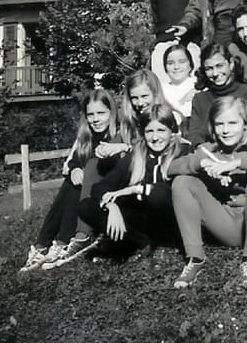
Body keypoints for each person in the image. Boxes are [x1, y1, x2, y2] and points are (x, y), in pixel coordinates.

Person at [168, 97, 247, 289]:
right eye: (220, 124)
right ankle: (195, 258)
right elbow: (171, 168)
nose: (226, 130)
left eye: (232, 123)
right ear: (212, 127)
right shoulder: (209, 150)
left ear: (245, 125)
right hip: (230, 224)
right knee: (182, 182)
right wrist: (201, 163)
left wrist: (239, 164)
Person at [19, 89, 121, 272]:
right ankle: (42, 246)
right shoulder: (87, 136)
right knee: (72, 181)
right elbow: (74, 160)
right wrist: (75, 169)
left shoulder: (118, 134)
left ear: (111, 113)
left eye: (101, 113)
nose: (95, 119)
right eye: (91, 115)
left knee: (78, 183)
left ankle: (62, 242)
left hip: (109, 192)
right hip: (87, 190)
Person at [77, 103, 185, 259]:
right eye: (149, 131)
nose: (155, 137)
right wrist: (111, 206)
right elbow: (101, 186)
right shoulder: (136, 156)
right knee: (86, 206)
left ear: (172, 131)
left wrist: (131, 190)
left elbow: (165, 193)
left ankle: (164, 244)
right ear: (143, 133)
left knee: (158, 194)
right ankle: (139, 243)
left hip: (171, 219)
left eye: (161, 130)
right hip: (142, 221)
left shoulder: (182, 153)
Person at [186, 41, 247, 148]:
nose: (215, 73)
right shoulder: (200, 99)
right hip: (212, 151)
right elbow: (194, 134)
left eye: (220, 66)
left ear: (231, 64)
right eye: (209, 69)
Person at [160, 43, 197, 125]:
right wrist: (182, 101)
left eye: (182, 62)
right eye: (170, 63)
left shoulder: (198, 86)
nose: (176, 67)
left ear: (190, 65)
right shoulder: (162, 90)